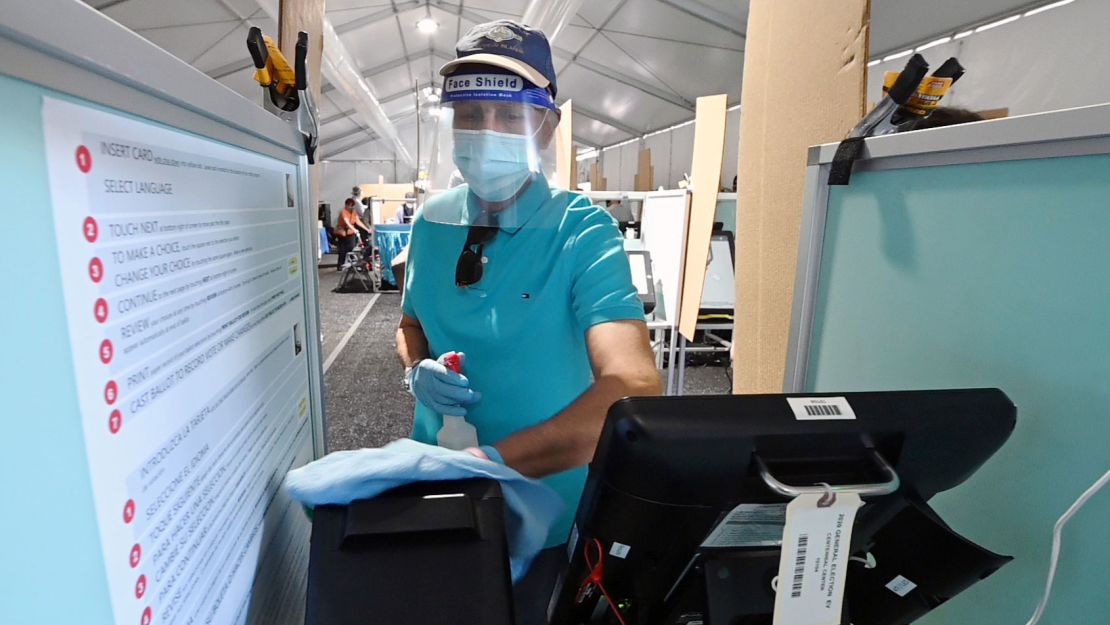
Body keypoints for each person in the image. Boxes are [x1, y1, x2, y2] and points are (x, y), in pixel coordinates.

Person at [395, 19, 661, 623]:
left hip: (542, 504)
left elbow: (634, 386)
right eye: (471, 113)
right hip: (440, 490)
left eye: (509, 114)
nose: (486, 131)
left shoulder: (580, 231)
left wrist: (493, 463)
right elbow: (410, 322)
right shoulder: (431, 222)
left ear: (546, 124)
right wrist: (417, 370)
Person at [334, 197, 371, 271]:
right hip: (343, 232)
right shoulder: (343, 212)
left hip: (351, 232)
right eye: (349, 205)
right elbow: (347, 222)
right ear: (346, 205)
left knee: (352, 247)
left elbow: (358, 222)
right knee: (343, 250)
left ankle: (352, 264)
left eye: (352, 205)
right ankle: (340, 265)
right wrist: (354, 229)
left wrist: (367, 229)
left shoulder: (353, 212)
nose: (351, 207)